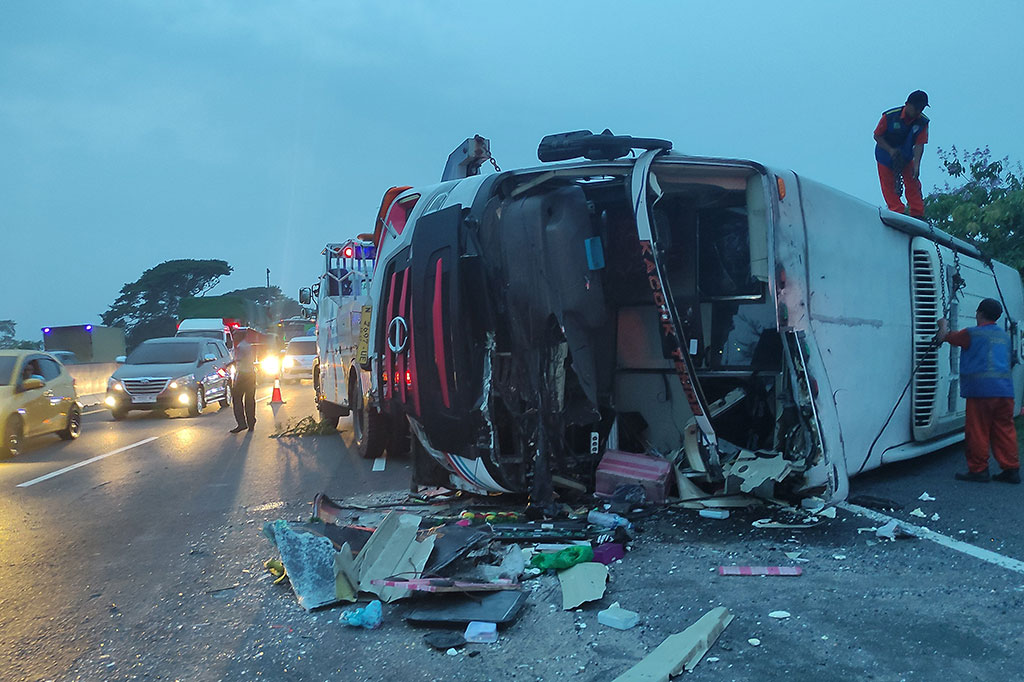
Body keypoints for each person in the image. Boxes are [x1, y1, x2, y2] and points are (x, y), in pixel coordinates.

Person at [937, 298, 1021, 483]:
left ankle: (979, 470)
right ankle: (1011, 470)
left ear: (979, 313)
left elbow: (944, 337)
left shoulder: (972, 334)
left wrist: (942, 324)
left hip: (981, 392)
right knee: (1004, 430)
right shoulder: (1004, 337)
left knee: (977, 430)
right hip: (1005, 392)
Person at [874, 90, 930, 219]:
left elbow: (919, 144)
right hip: (885, 154)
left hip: (906, 155)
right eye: (916, 108)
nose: (918, 111)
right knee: (888, 184)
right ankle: (897, 211)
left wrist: (916, 166)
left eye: (921, 108)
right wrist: (890, 150)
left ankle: (917, 213)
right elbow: (877, 136)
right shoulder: (889, 117)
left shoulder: (922, 122)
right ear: (907, 104)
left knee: (913, 181)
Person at [230, 329, 258, 433]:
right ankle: (251, 422)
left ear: (240, 336)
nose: (233, 337)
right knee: (249, 400)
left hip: (243, 375)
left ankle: (242, 423)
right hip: (250, 374)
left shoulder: (241, 347)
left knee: (237, 399)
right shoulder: (246, 345)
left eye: (235, 335)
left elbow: (238, 360)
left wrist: (227, 365)